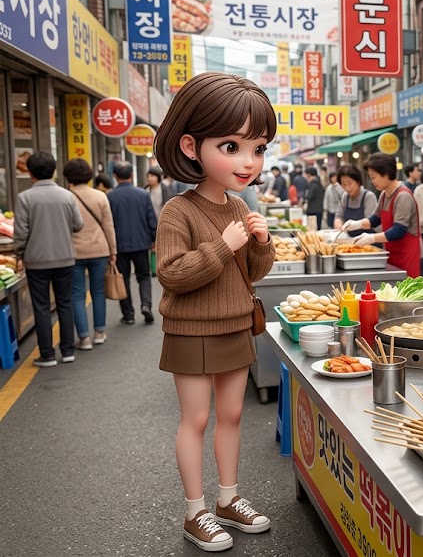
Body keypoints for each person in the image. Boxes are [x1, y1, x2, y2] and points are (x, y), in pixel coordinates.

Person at [153, 72, 276, 552]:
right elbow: (172, 274)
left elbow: (255, 271)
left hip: (235, 325)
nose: (248, 162)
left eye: (258, 148)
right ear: (190, 145)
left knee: (231, 415)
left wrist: (262, 242)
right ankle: (195, 511)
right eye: (231, 146)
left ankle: (228, 499)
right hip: (191, 331)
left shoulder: (239, 204)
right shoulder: (177, 212)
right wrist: (224, 247)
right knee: (196, 420)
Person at [13, 151, 83, 366]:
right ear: (53, 171)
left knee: (42, 306)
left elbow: (21, 232)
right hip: (64, 258)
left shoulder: (25, 198)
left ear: (31, 173)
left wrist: (18, 254)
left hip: (36, 261)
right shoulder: (67, 195)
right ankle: (68, 351)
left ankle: (47, 354)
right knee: (64, 303)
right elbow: (78, 225)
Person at [339, 153, 422, 278]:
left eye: (374, 177)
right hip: (391, 254)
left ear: (386, 174)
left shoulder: (403, 196)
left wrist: (371, 238)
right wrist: (356, 224)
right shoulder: (384, 194)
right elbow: (375, 219)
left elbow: (398, 230)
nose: (372, 182)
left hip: (407, 256)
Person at [65, 159, 117, 350]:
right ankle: (100, 333)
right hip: (99, 250)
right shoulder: (100, 196)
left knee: (77, 294)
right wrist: (113, 251)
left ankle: (84, 338)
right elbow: (108, 226)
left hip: (74, 252)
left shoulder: (66, 197)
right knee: (98, 292)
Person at [108, 161, 158, 325]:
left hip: (119, 245)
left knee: (123, 278)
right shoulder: (143, 194)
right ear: (132, 175)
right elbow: (151, 219)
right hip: (141, 243)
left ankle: (128, 314)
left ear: (115, 177)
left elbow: (108, 224)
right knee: (143, 277)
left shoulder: (110, 196)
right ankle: (146, 305)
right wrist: (153, 239)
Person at [335, 164, 377, 237]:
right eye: (344, 184)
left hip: (368, 241)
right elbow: (339, 216)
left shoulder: (368, 196)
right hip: (350, 241)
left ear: (358, 181)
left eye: (349, 183)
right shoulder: (345, 197)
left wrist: (356, 225)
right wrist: (340, 228)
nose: (347, 188)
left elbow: (371, 222)